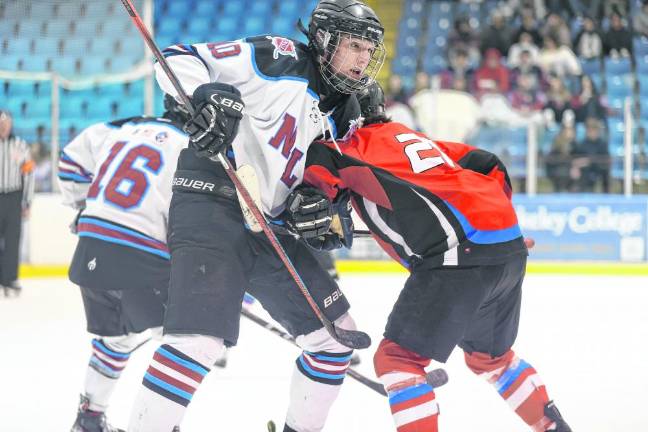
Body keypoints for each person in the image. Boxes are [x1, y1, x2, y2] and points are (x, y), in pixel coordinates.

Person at [127, 1, 385, 431]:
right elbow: (176, 59)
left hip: (269, 226)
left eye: (368, 49)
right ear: (324, 41)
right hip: (213, 197)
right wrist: (206, 97)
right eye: (354, 45)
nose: (363, 59)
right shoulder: (278, 55)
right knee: (198, 341)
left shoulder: (348, 113)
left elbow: (332, 192)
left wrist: (320, 210)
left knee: (334, 340)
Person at [301, 82, 572, 431]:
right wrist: (495, 225)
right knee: (492, 360)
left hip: (459, 255)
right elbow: (489, 164)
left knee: (397, 360)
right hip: (507, 243)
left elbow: (309, 197)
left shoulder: (337, 149)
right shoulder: (414, 138)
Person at [57, 97, 190, 432]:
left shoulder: (122, 127)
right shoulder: (193, 147)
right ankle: (160, 423)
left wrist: (83, 207)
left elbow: (70, 162)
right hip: (143, 259)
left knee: (117, 338)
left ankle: (88, 418)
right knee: (184, 341)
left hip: (90, 250)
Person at [0, 109, 34, 297]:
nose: (3, 126)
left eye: (6, 123)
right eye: (0, 123)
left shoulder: (20, 145)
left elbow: (28, 174)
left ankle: (10, 278)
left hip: (13, 197)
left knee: (13, 240)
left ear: (11, 125)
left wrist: (27, 202)